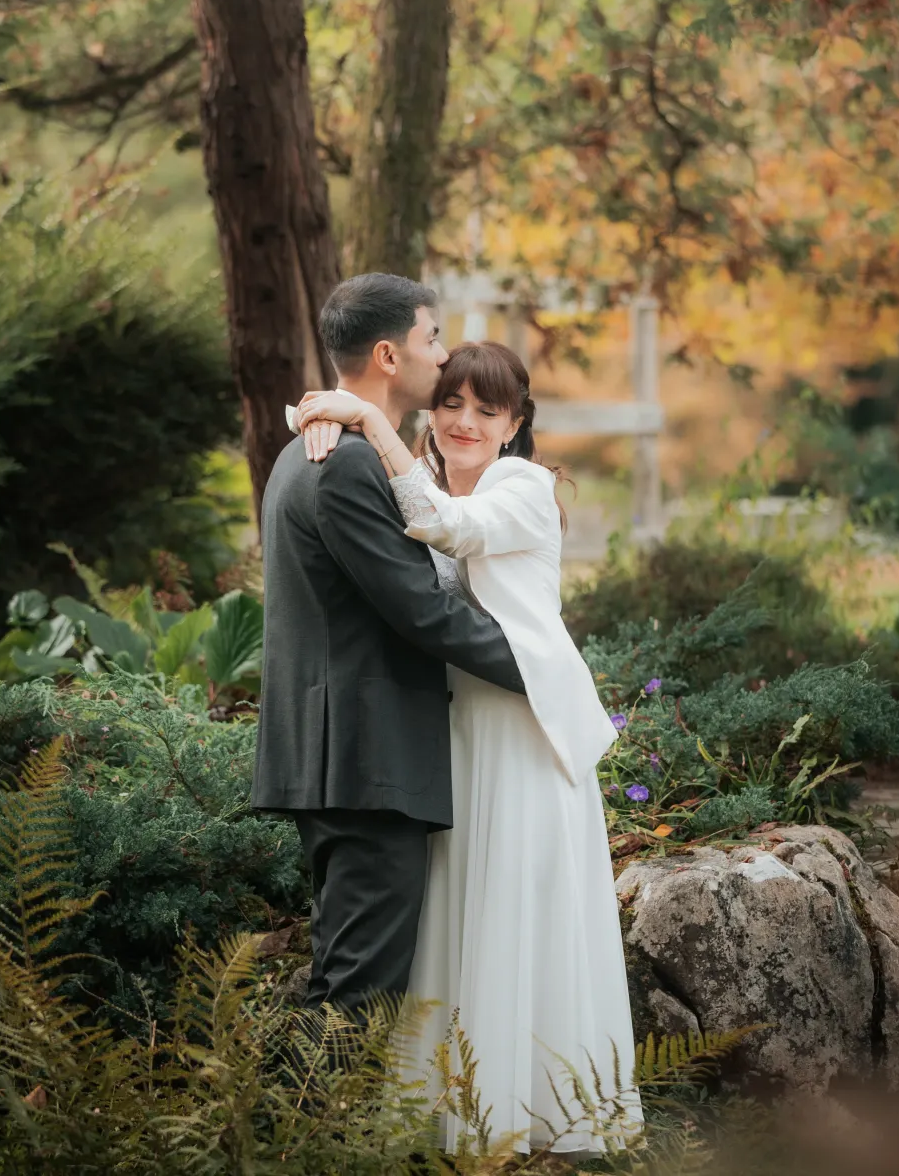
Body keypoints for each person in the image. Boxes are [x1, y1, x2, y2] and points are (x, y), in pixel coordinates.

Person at [293, 340, 642, 1155]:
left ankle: (532, 1118)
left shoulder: (521, 486)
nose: (464, 423)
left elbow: (441, 527)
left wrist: (364, 416)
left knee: (517, 907)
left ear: (515, 425)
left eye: (488, 411)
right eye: (451, 403)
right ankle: (453, 1118)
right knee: (462, 908)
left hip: (522, 730)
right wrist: (326, 419)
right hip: (457, 729)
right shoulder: (416, 468)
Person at [251, 274, 526, 1019]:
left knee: (346, 979)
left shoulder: (320, 452)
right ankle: (308, 1136)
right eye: (432, 338)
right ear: (388, 354)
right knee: (357, 998)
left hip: (349, 761)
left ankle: (297, 1132)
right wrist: (539, 667)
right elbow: (421, 611)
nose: (443, 357)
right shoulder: (340, 465)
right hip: (363, 762)